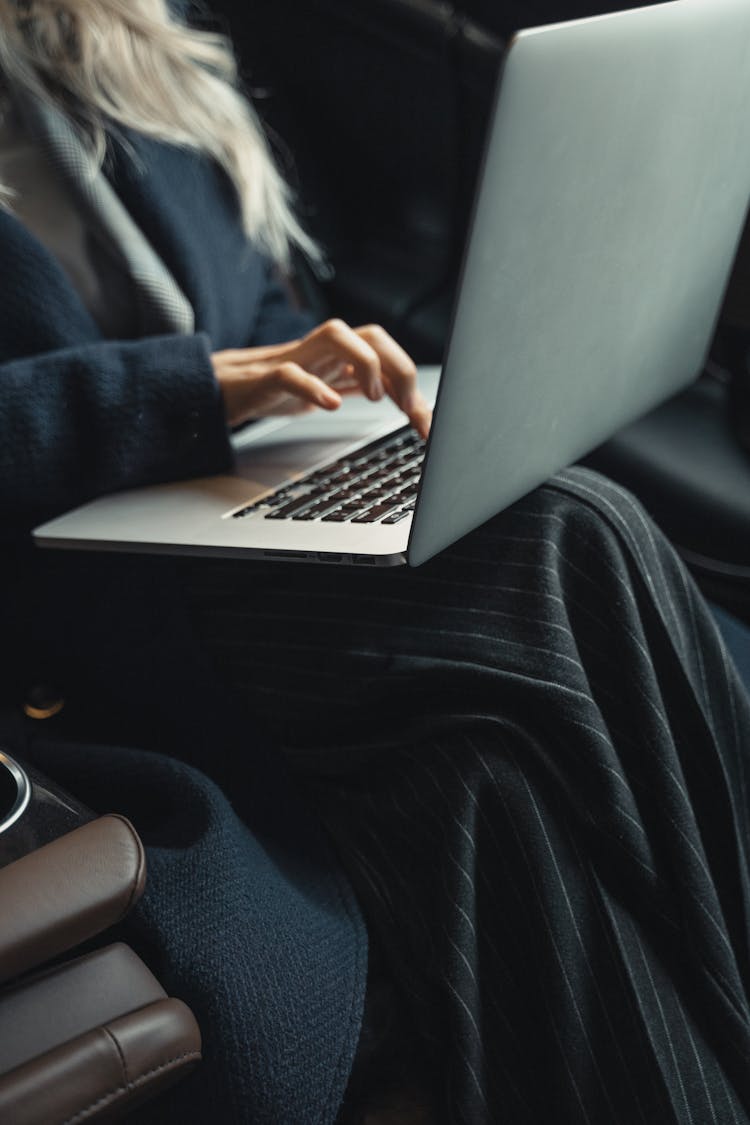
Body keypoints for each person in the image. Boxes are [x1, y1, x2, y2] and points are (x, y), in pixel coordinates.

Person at [2, 2, 750, 1123]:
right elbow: (188, 367)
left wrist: (327, 394)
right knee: (571, 538)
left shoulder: (109, 42)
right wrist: (191, 391)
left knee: (488, 783)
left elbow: (246, 310)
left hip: (216, 518)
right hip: (73, 606)